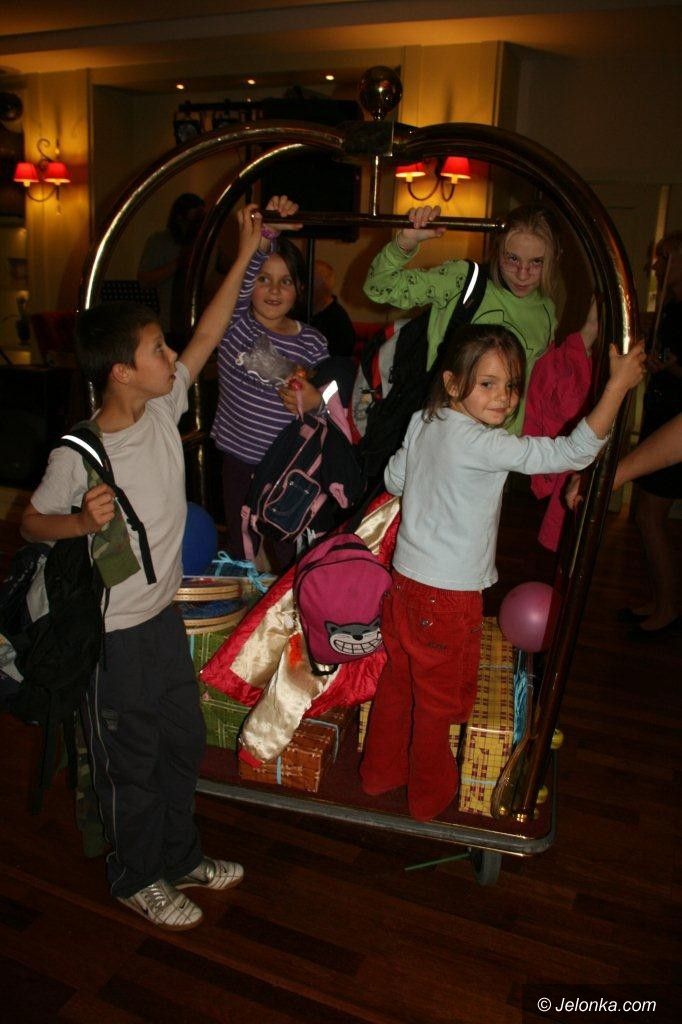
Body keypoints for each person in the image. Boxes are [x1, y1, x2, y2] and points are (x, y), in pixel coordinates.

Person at [19, 204, 265, 931]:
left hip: (160, 618)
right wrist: (78, 522)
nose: (172, 355)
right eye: (158, 349)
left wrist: (244, 255)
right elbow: (31, 522)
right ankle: (136, 876)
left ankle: (179, 856)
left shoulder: (161, 409)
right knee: (130, 757)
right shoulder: (80, 452)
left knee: (181, 740)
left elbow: (209, 334)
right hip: (112, 637)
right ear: (122, 371)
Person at [359, 323, 645, 821]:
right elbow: (571, 452)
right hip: (448, 597)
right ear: (452, 383)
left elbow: (393, 478)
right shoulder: (485, 444)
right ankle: (428, 798)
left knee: (399, 683)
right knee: (437, 703)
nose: (504, 397)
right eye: (487, 383)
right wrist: (617, 388)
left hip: (403, 584)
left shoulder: (424, 421)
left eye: (511, 385)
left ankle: (378, 773)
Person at [212, 196, 349, 571]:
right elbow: (237, 287)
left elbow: (334, 404)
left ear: (300, 288)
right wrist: (267, 236)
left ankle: (290, 598)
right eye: (264, 280)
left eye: (285, 281)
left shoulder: (313, 342)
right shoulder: (236, 326)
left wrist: (317, 400)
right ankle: (247, 596)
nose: (274, 290)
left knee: (291, 545)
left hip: (292, 467)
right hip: (240, 461)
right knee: (243, 546)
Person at [363, 202, 562, 433]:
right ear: (498, 250)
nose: (523, 274)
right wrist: (406, 241)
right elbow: (378, 287)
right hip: (444, 439)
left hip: (505, 447)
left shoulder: (546, 310)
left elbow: (534, 391)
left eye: (537, 262)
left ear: (553, 259)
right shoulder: (461, 280)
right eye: (513, 258)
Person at [616, 231, 682, 637]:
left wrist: (671, 368)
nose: (655, 265)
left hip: (674, 429)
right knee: (645, 515)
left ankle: (669, 608)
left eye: (664, 257)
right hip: (662, 422)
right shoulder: (672, 307)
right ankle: (662, 601)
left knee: (648, 516)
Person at [138, 192, 205, 348]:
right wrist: (180, 263)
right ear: (179, 218)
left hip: (204, 325)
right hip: (171, 326)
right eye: (193, 221)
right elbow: (144, 280)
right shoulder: (160, 241)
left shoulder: (205, 243)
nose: (196, 226)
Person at [310, 259, 356, 359]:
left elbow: (339, 361)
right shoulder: (298, 311)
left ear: (320, 287)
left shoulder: (338, 322)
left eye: (307, 282)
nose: (301, 287)